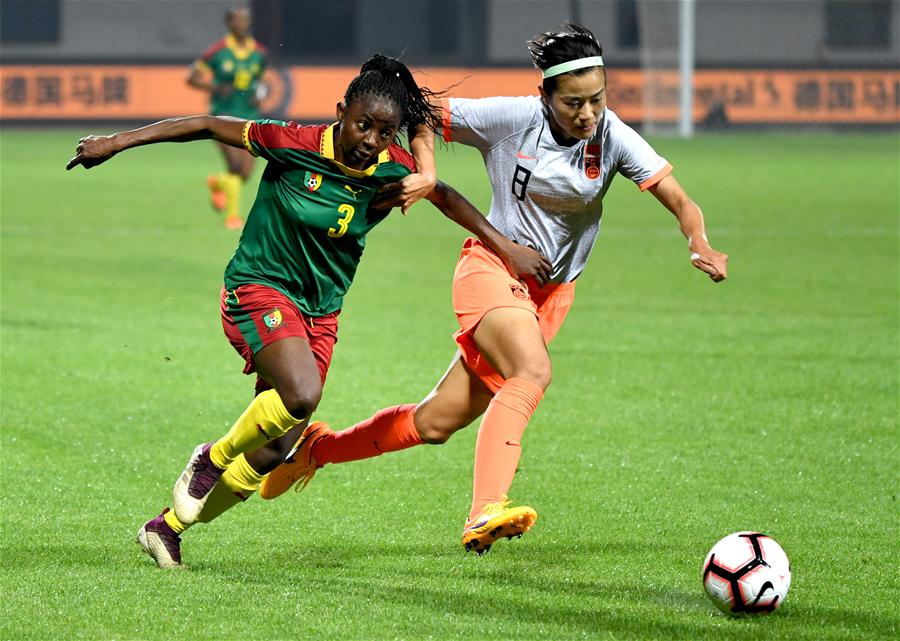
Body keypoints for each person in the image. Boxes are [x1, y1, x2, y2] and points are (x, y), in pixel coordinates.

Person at [257, 23, 729, 555]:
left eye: (597, 99)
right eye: (574, 103)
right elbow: (422, 116)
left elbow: (680, 199)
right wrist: (428, 170)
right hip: (492, 270)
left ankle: (318, 450)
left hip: (549, 297)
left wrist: (699, 241)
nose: (588, 114)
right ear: (545, 97)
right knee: (532, 373)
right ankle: (485, 510)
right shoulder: (513, 120)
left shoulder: (612, 136)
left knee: (434, 423)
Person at [66, 54, 549, 569]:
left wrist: (504, 247)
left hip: (320, 313)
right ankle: (212, 458)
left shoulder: (392, 170)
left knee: (278, 449)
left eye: (385, 132)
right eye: (362, 124)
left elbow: (447, 197)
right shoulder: (291, 142)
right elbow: (206, 124)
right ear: (340, 111)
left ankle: (169, 528)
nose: (370, 140)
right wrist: (114, 143)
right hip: (259, 288)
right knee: (301, 394)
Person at [187, 5, 272, 229]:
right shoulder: (218, 51)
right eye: (238, 20)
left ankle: (218, 183)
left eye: (245, 20)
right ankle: (232, 217)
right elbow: (192, 77)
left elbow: (262, 81)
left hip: (250, 117)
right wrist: (214, 86)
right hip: (222, 116)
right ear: (229, 24)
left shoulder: (259, 53)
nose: (242, 24)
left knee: (245, 173)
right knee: (235, 165)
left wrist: (261, 94)